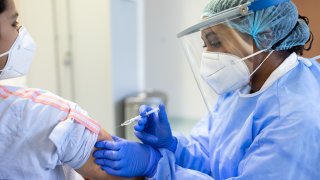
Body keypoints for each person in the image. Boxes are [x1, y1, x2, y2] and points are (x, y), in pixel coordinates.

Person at [93, 0, 320, 179]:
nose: (209, 56)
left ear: (265, 36)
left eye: (215, 42)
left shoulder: (294, 117)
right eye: (205, 44)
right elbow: (210, 158)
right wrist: (171, 144)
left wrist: (156, 167)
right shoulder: (242, 85)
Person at [0, 0, 121, 179]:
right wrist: (158, 156)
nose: (19, 32)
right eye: (13, 23)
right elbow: (119, 173)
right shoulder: (46, 115)